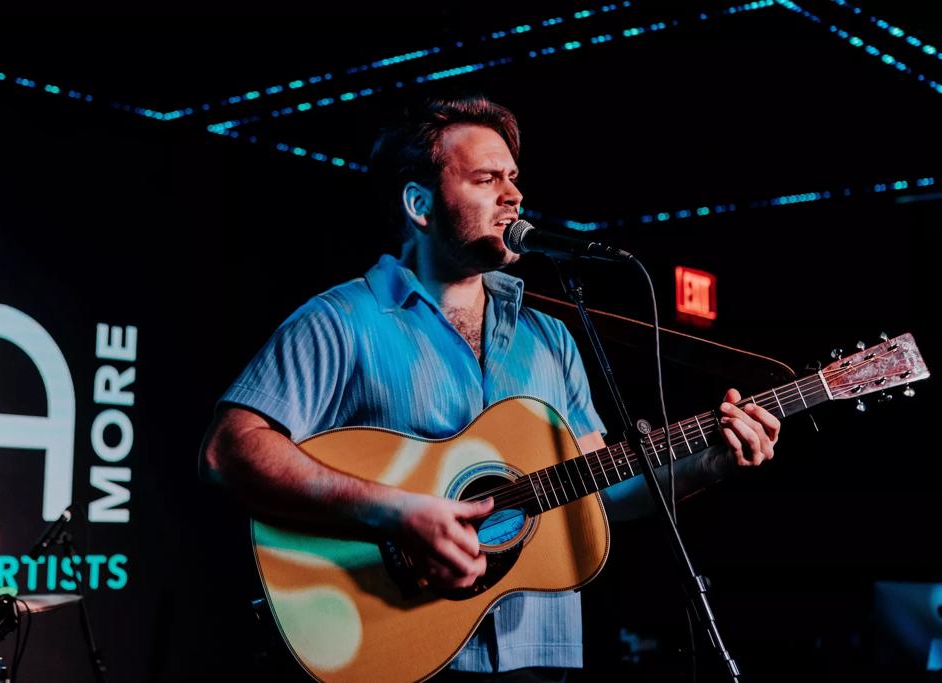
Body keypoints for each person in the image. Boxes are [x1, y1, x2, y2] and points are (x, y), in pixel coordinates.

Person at [198, 95, 781, 681]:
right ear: (419, 205)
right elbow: (230, 450)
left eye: (513, 178)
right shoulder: (342, 320)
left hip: (537, 655)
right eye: (485, 179)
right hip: (393, 646)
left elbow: (599, 489)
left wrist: (706, 466)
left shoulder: (550, 337)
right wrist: (394, 512)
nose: (513, 195)